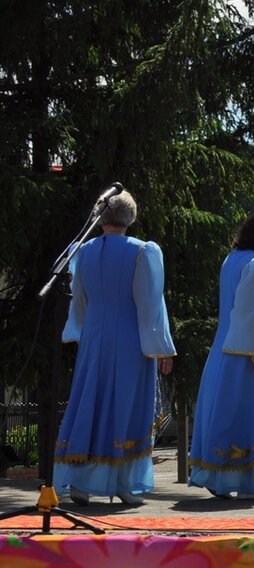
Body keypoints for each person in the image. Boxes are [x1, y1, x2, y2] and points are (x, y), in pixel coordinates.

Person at [53, 189, 175, 506]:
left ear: (100, 217)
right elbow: (149, 303)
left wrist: (78, 330)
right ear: (130, 217)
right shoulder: (143, 251)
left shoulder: (82, 251)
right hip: (130, 338)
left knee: (90, 403)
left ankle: (80, 483)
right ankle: (123, 483)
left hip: (94, 338)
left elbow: (78, 299)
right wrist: (161, 346)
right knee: (126, 404)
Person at [188, 211, 254, 500]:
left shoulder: (232, 258)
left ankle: (222, 475)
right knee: (252, 415)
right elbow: (249, 311)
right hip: (249, 355)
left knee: (229, 411)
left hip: (226, 350)